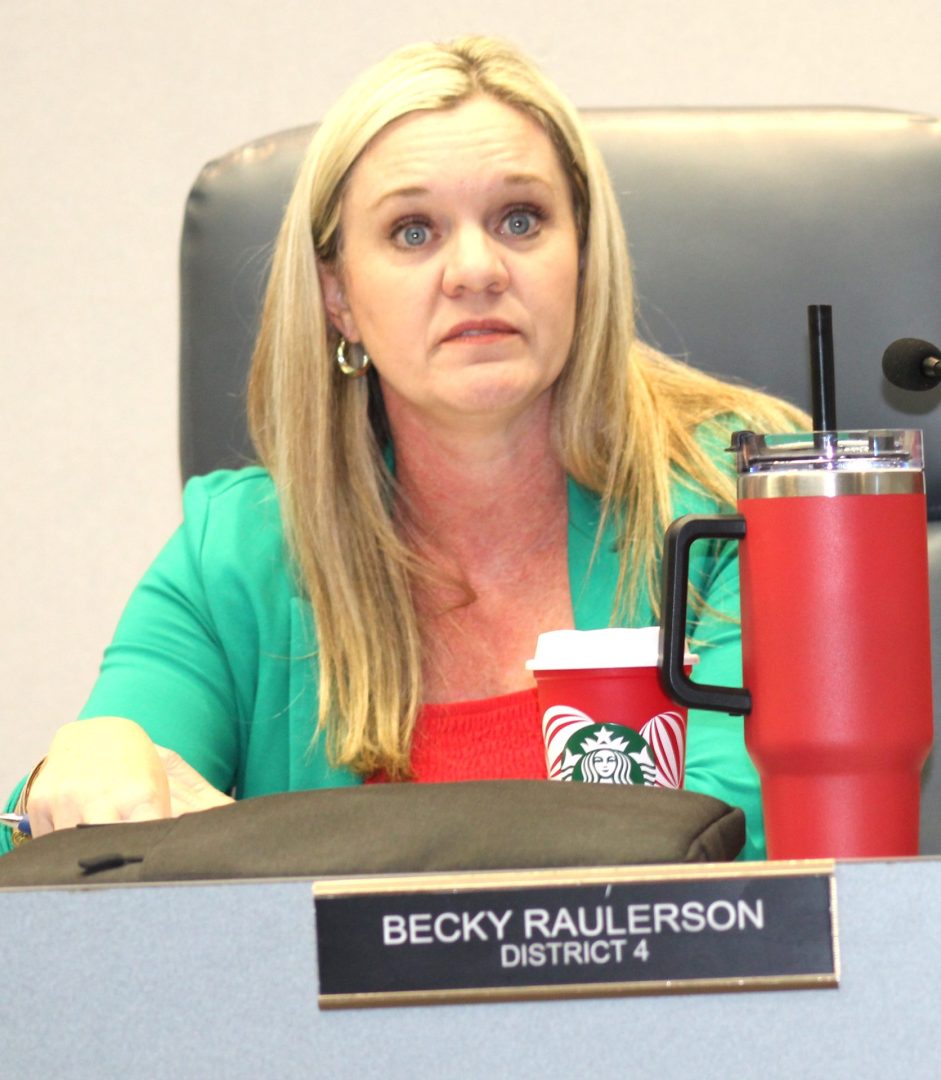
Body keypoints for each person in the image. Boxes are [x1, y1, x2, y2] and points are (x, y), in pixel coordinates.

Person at [2, 35, 806, 860]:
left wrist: (267, 856)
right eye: (413, 231)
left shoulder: (750, 494)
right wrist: (71, 780)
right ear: (338, 297)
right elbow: (78, 867)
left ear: (585, 258)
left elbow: (738, 845)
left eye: (520, 220)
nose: (475, 269)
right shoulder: (236, 555)